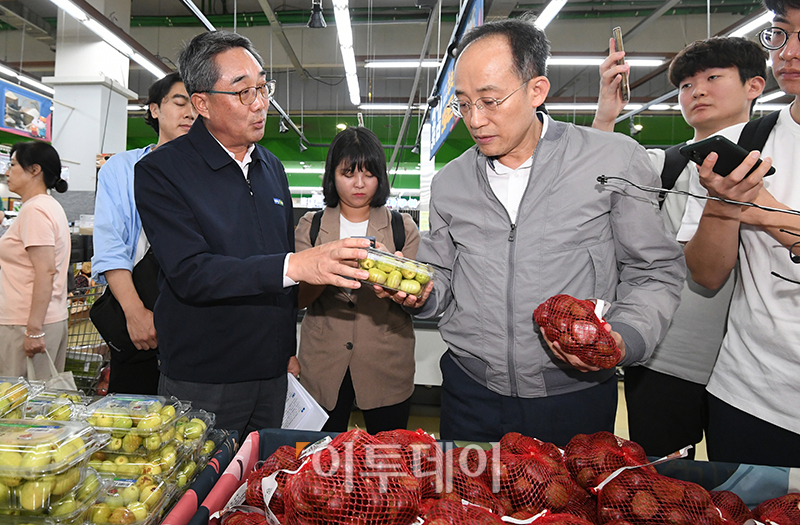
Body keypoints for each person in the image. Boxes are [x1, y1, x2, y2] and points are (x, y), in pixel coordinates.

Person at [383, 15, 685, 445]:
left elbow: (653, 270)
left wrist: (625, 338)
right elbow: (444, 277)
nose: (475, 119)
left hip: (573, 394)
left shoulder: (613, 161)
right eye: (463, 103)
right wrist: (419, 292)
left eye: (490, 101)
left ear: (536, 90)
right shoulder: (450, 182)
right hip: (471, 393)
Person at [134, 31, 371, 438]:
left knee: (264, 472)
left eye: (263, 87)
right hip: (205, 377)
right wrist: (295, 265)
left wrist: (287, 352)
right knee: (204, 476)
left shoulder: (271, 167)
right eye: (243, 92)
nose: (260, 103)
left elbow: (277, 267)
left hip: (272, 374)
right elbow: (192, 273)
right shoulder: (162, 171)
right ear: (202, 103)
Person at [592, 37, 767, 458]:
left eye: (713, 78)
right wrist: (606, 114)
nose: (697, 91)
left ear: (754, 86)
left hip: (751, 371)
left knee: (744, 481)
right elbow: (594, 174)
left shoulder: (777, 164)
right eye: (686, 85)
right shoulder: (663, 165)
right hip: (663, 359)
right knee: (660, 479)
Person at [678, 0, 800, 467]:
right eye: (780, 33)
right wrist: (724, 207)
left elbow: (762, 211)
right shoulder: (745, 144)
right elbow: (707, 274)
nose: (788, 52)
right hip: (748, 395)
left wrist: (763, 209)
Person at [295, 127, 420, 434]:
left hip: (386, 367)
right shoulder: (311, 227)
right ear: (332, 176)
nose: (360, 183)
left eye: (369, 173)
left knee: (389, 455)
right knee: (320, 455)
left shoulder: (402, 228)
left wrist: (394, 280)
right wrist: (327, 267)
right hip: (322, 366)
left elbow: (415, 301)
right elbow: (297, 299)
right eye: (348, 173)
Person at [92, 72, 195, 395]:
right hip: (140, 305)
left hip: (195, 316)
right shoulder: (122, 169)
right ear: (154, 109)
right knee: (135, 408)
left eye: (197, 105)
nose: (190, 113)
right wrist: (134, 312)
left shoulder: (211, 173)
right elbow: (111, 245)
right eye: (180, 103)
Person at [0, 142, 70, 379]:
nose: (7, 172)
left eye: (12, 165)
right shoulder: (47, 206)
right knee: (43, 396)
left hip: (26, 322)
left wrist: (34, 329)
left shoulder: (35, 211)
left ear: (35, 170)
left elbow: (45, 271)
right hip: (45, 318)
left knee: (19, 398)